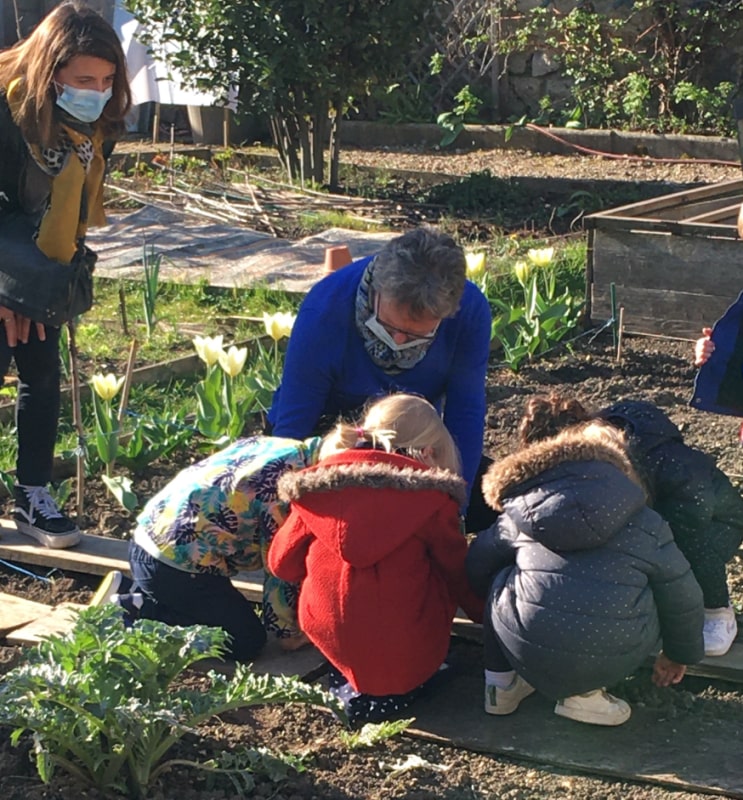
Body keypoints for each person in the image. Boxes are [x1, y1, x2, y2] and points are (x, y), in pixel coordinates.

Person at [467, 415, 704, 727]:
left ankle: (500, 686)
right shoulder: (647, 523)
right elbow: (683, 595)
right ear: (623, 467)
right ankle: (586, 696)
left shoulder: (524, 510)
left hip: (525, 644)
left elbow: (476, 565)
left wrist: (500, 615)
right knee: (657, 587)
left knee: (501, 579)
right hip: (612, 653)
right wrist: (678, 654)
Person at [268, 394, 483, 727]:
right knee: (434, 572)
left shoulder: (314, 493)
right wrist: (485, 614)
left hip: (331, 641)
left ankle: (353, 677)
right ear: (427, 453)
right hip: (410, 651)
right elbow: (458, 574)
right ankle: (406, 680)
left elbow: (282, 564)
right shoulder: (431, 502)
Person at [0, 2, 131, 548]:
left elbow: (71, 208)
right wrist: (7, 292)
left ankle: (33, 494)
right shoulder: (7, 114)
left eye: (105, 80)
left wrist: (45, 288)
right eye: (83, 79)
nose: (96, 89)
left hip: (44, 267)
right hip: (5, 265)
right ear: (50, 71)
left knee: (43, 378)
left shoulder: (97, 122)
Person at [266, 227, 494, 531]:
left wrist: (456, 512)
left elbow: (465, 414)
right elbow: (293, 430)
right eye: (388, 327)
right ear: (376, 291)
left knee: (497, 505)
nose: (398, 341)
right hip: (329, 437)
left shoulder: (471, 313)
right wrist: (286, 511)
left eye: (415, 336)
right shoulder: (325, 310)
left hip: (408, 439)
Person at [519, 391, 742, 657]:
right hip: (667, 510)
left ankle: (717, 611)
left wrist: (660, 537)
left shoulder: (650, 454)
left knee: (688, 549)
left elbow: (696, 497)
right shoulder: (607, 446)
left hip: (717, 519)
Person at [91, 435, 321, 661]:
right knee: (245, 640)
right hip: (177, 567)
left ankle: (133, 591)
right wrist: (287, 631)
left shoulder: (284, 447)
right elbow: (279, 565)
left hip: (149, 541)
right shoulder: (287, 491)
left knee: (214, 609)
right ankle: (138, 612)